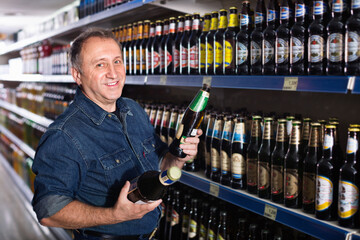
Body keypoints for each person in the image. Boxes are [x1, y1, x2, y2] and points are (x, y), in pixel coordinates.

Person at [31, 28, 201, 240]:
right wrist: (114, 215)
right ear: (77, 75)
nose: (113, 73)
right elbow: (48, 211)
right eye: (100, 64)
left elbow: (160, 167)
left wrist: (177, 157)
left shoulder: (132, 110)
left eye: (117, 61)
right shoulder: (64, 135)